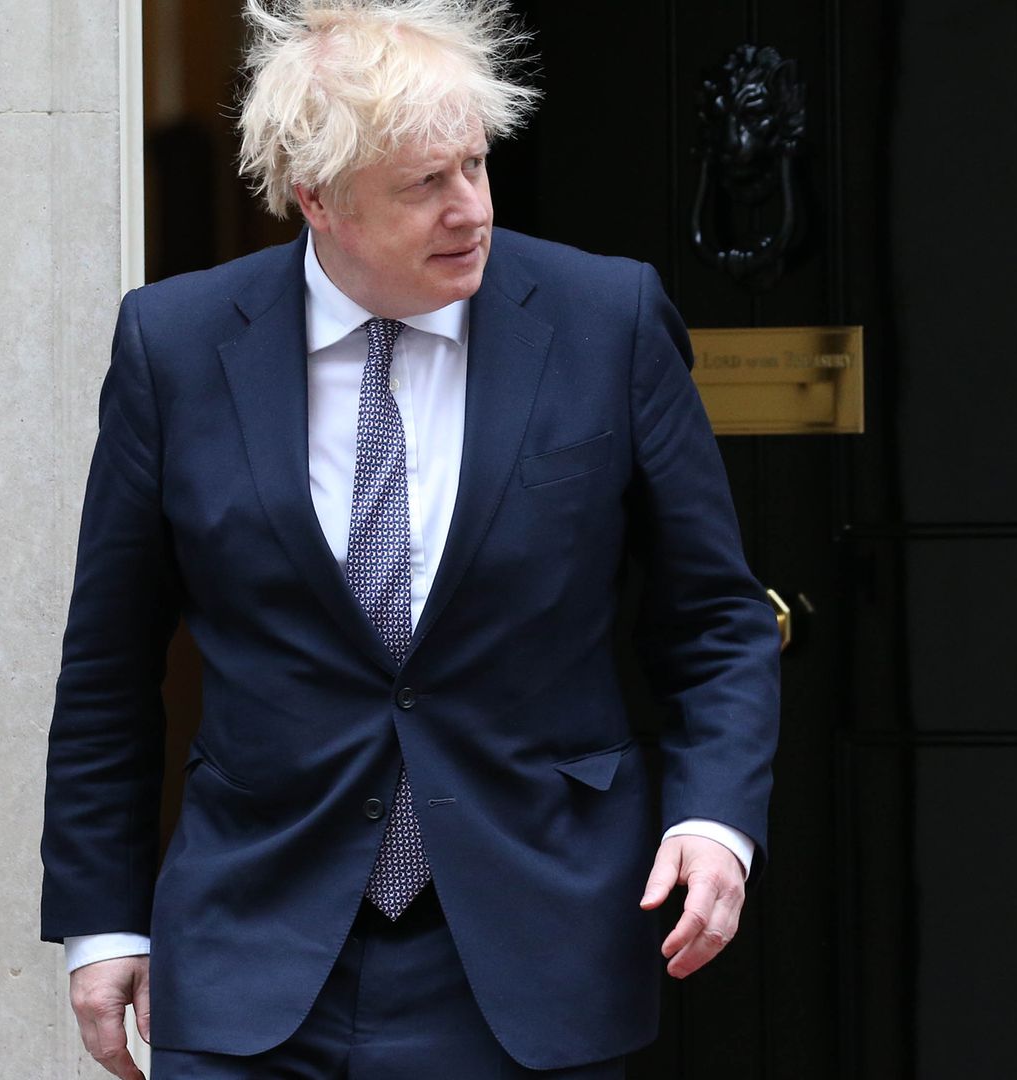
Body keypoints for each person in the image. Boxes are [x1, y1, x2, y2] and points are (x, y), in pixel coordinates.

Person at [38, 2, 780, 1075]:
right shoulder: (179, 344)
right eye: (424, 185)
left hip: (535, 949)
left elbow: (715, 619)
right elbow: (109, 664)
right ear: (318, 200)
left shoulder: (604, 318)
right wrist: (103, 921)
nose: (470, 209)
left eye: (475, 166)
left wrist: (715, 822)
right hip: (257, 947)